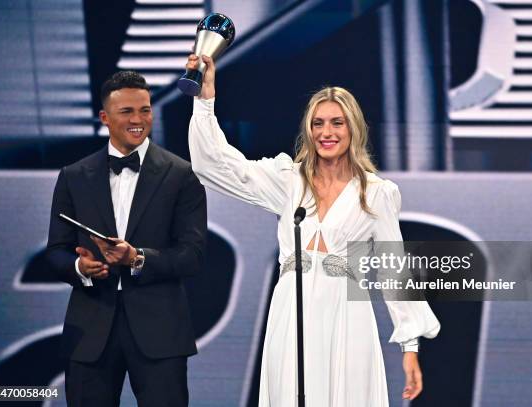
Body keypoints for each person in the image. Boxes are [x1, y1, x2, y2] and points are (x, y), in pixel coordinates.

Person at [187, 54, 440, 406]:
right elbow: (214, 163)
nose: (326, 132)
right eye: (318, 123)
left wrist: (410, 347)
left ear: (353, 128)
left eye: (336, 123)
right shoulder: (288, 181)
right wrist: (205, 98)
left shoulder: (376, 193)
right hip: (291, 313)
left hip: (347, 318)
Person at [46, 71, 207, 407]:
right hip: (90, 328)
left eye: (145, 110)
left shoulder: (180, 175)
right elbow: (56, 252)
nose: (138, 120)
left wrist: (138, 258)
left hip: (160, 330)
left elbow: (192, 254)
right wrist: (80, 267)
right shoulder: (74, 176)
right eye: (127, 112)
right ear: (105, 117)